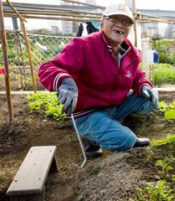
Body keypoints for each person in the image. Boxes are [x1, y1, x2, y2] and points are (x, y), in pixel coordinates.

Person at [38, 1, 159, 156]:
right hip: (87, 112)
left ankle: (115, 128)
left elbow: (136, 74)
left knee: (149, 99)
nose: (120, 25)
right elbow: (47, 67)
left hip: (114, 106)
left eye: (125, 22)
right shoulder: (83, 45)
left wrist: (143, 85)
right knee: (126, 141)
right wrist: (64, 81)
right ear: (102, 24)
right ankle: (95, 137)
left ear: (129, 28)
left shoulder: (131, 52)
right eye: (114, 19)